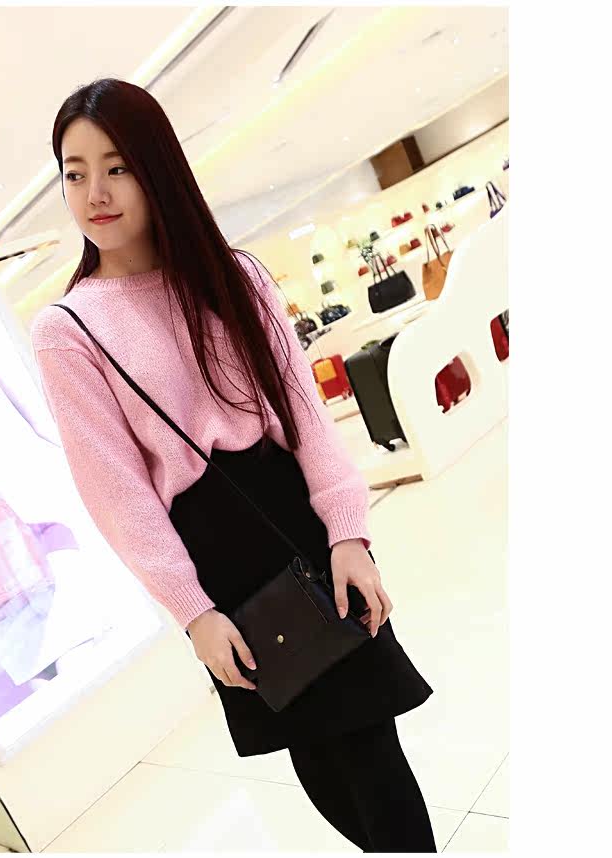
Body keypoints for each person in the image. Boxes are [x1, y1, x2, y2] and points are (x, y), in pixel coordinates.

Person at [30, 78, 436, 853]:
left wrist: (349, 531)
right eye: (74, 173)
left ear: (157, 168)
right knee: (320, 756)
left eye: (116, 167)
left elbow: (303, 411)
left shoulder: (233, 276)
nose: (94, 193)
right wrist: (193, 612)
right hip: (218, 554)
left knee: (369, 745)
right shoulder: (68, 330)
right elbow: (118, 493)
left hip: (294, 519)